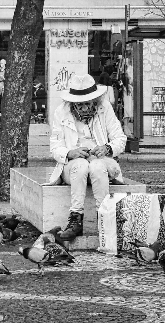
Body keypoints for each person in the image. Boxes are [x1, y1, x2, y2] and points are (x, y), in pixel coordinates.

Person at [48, 73, 128, 241]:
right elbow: (55, 147)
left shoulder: (105, 108)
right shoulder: (60, 112)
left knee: (96, 166)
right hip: (74, 167)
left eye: (87, 103)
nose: (84, 108)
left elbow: (120, 139)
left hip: (102, 164)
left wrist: (107, 148)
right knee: (82, 165)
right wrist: (70, 153)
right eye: (80, 104)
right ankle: (75, 219)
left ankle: (104, 218)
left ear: (94, 100)